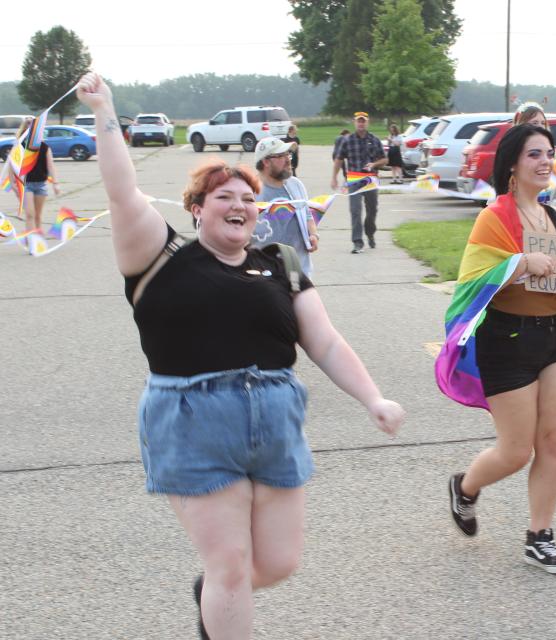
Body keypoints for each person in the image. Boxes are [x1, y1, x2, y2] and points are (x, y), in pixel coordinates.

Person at [76, 72, 405, 640]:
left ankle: (214, 602)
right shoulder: (158, 255)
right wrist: (105, 110)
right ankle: (222, 605)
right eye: (224, 197)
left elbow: (323, 339)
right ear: (197, 209)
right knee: (229, 563)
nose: (240, 205)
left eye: (249, 199)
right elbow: (122, 189)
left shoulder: (280, 261)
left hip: (276, 417)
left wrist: (372, 396)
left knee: (277, 564)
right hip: (191, 418)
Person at [446, 124, 556, 574]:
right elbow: (470, 283)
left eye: (549, 154)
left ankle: (539, 537)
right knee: (516, 450)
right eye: (534, 155)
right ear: (513, 164)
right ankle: (465, 487)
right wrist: (519, 262)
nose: (545, 162)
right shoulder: (494, 218)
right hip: (506, 340)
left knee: (551, 441)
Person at [251, 136, 319, 277]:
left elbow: (307, 215)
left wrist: (313, 234)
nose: (289, 159)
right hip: (266, 272)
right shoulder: (250, 191)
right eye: (281, 156)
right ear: (266, 161)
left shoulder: (296, 185)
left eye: (288, 154)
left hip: (301, 270)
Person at [331, 112, 386, 254]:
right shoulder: (347, 140)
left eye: (364, 121)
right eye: (359, 121)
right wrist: (334, 177)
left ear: (368, 123)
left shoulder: (374, 139)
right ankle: (357, 242)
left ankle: (370, 232)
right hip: (354, 179)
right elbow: (339, 159)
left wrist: (374, 164)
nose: (361, 124)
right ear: (355, 123)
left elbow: (384, 160)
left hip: (370, 179)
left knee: (372, 210)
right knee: (355, 211)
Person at [512, 102, 556, 209]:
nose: (540, 127)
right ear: (520, 125)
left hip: (546, 222)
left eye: (543, 123)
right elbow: (495, 201)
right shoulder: (509, 156)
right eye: (534, 123)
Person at [14, 117, 61, 233]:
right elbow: (13, 166)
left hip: (41, 184)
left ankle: (38, 240)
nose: (31, 127)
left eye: (33, 125)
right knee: (30, 214)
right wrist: (14, 184)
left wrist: (55, 184)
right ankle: (31, 240)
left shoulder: (44, 147)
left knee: (38, 216)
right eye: (28, 124)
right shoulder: (20, 146)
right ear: (25, 128)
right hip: (26, 184)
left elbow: (51, 166)